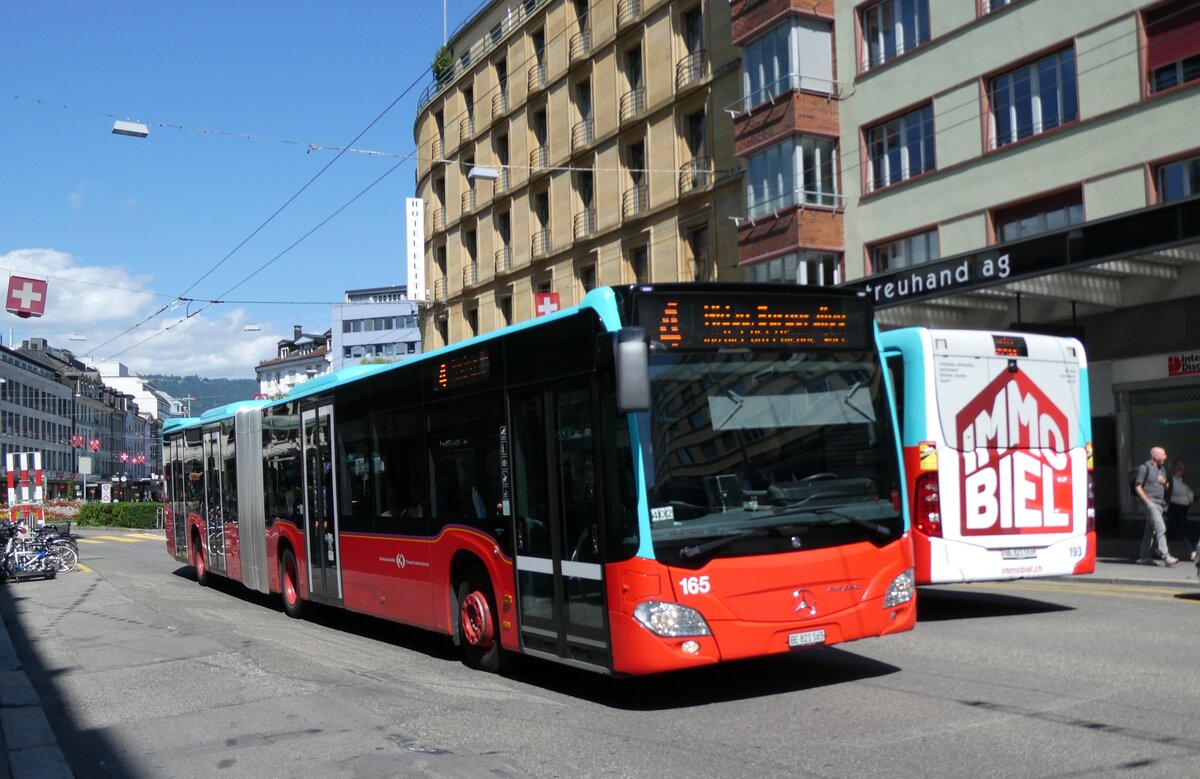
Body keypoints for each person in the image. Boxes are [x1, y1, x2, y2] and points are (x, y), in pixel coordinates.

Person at [1134, 446, 1177, 566]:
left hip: (1160, 503)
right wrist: (1148, 502)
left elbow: (1166, 486)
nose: (1165, 457)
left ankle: (1144, 556)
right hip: (1150, 503)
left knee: (1150, 530)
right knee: (1160, 527)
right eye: (1163, 454)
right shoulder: (1144, 468)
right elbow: (1137, 486)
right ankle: (1166, 556)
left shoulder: (1161, 469)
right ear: (1155, 456)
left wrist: (1165, 483)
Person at [1165, 459, 1196, 562]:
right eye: (1182, 468)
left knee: (1172, 531)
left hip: (1182, 509)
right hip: (1175, 509)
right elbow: (1168, 494)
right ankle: (1192, 551)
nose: (1184, 471)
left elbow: (1187, 493)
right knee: (1184, 530)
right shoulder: (1170, 480)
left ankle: (1161, 549)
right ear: (1176, 469)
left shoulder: (1180, 481)